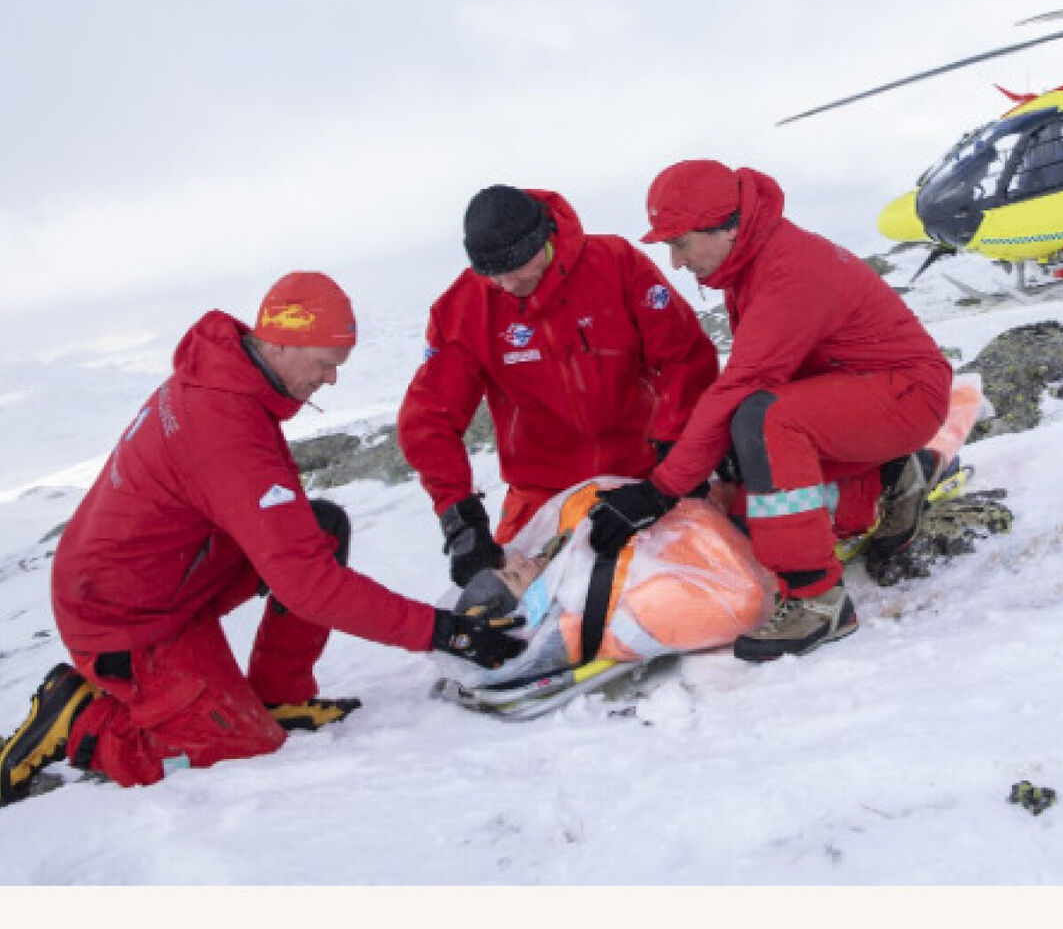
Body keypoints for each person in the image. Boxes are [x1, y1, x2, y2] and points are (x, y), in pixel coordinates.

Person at [0, 272, 526, 805]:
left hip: (165, 573)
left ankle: (278, 696)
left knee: (317, 530)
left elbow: (293, 546)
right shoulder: (224, 428)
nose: (331, 379)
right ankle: (78, 716)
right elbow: (308, 587)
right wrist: (444, 632)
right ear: (278, 341)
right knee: (238, 747)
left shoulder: (232, 381)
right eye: (324, 363)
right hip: (122, 615)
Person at [587, 160, 953, 662]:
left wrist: (661, 490)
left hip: (906, 395)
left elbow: (745, 387)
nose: (675, 261)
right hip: (864, 396)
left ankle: (817, 599)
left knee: (765, 421)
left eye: (680, 243)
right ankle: (891, 476)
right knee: (750, 502)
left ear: (727, 226)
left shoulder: (789, 269)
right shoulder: (751, 262)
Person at [398, 184, 719, 590]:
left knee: (707, 583)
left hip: (643, 475)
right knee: (509, 611)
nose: (508, 284)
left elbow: (684, 357)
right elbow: (429, 420)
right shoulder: (463, 309)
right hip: (543, 496)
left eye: (515, 267)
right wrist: (460, 519)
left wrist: (677, 457)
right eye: (493, 273)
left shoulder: (615, 264)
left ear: (544, 240)